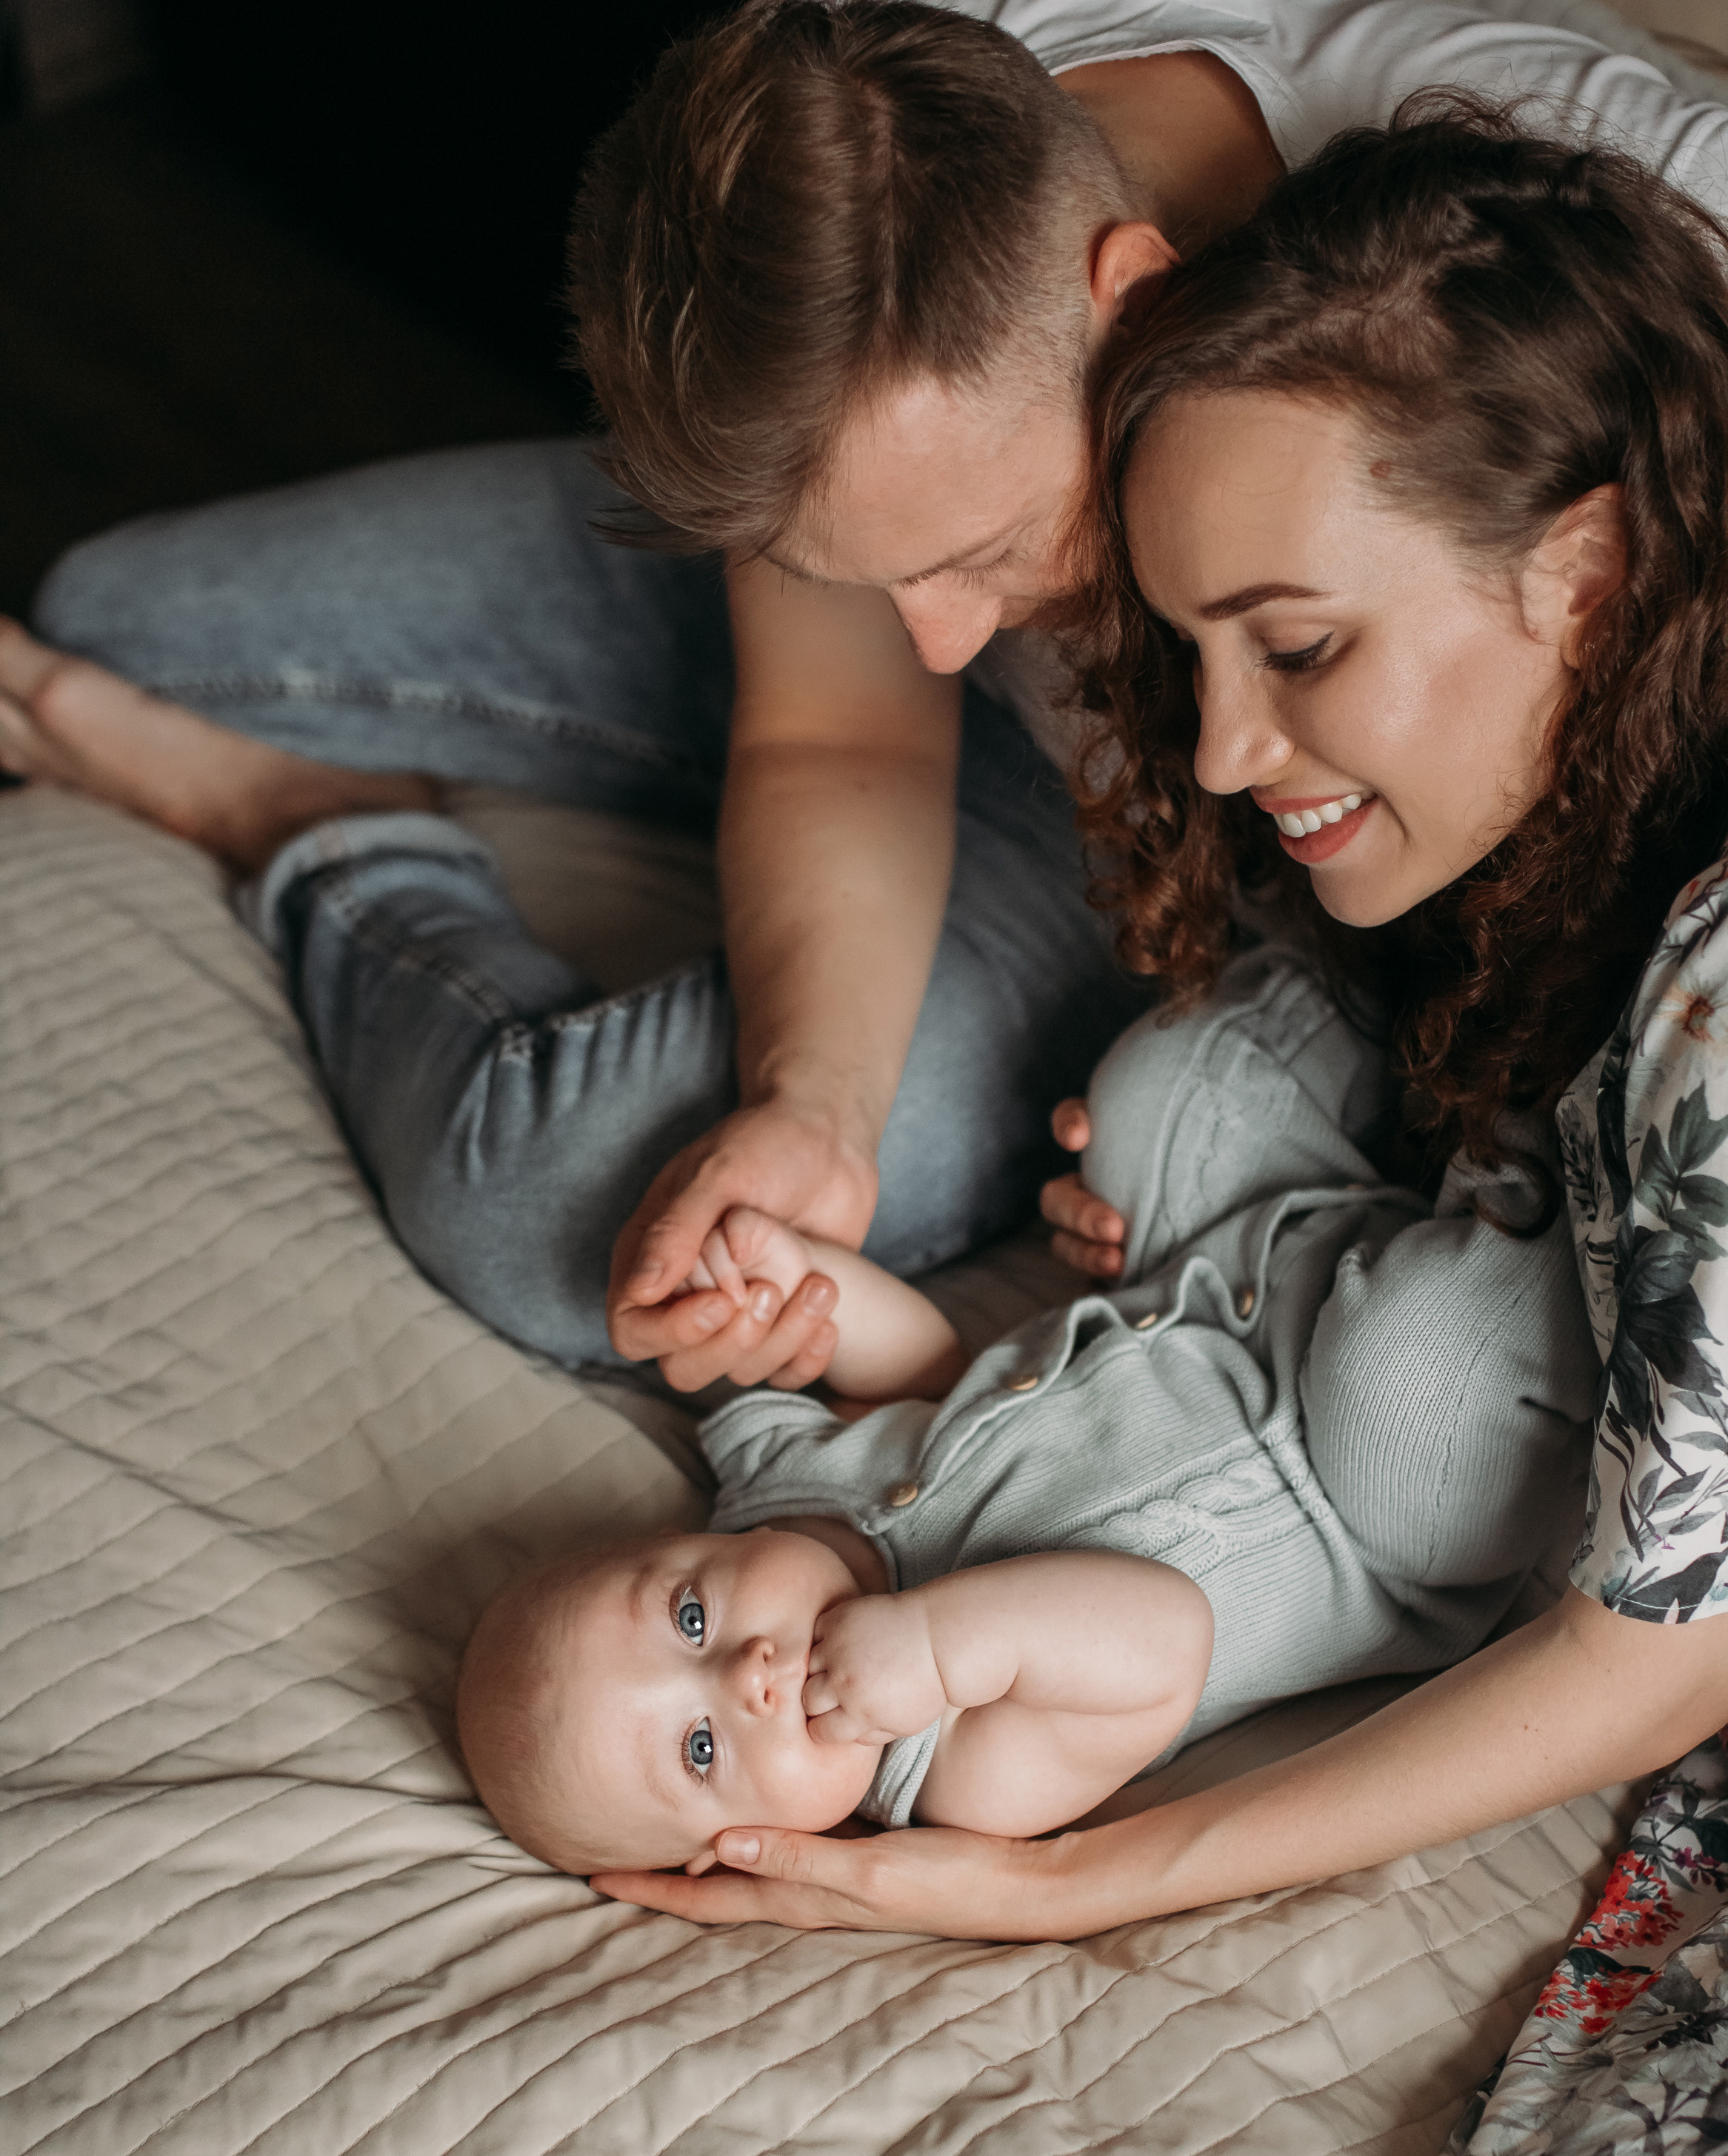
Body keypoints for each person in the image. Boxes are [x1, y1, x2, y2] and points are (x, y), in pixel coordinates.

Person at [2, 2, 1724, 1393]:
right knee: (116, 615)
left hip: (1149, 840)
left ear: (1134, 299)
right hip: (898, 636)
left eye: (986, 547)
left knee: (556, 1209)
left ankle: (310, 825)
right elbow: (841, 725)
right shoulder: (877, 181)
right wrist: (811, 1107)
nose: (945, 640)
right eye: (862, 568)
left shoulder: (1577, 225)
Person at [582, 110, 1728, 1936]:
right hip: (1378, 1218)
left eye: (1296, 648)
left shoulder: (1709, 985)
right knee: (1162, 1089)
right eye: (1196, 651)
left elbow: (1662, 1659)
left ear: (1585, 576)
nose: (1215, 752)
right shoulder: (1539, 785)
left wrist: (1069, 1882)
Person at [457, 944, 1594, 1876]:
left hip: (1214, 1278)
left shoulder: (772, 1489)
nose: (745, 1673)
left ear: (681, 1547)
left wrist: (793, 1279)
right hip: (1363, 1502)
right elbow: (1160, 1637)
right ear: (739, 1851)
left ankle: (1440, 966)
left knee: (1161, 1093)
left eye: (690, 1619)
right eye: (703, 1747)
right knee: (1423, 1358)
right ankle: (1559, 1095)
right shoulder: (954, 1778)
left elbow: (917, 1370)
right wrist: (942, 1652)